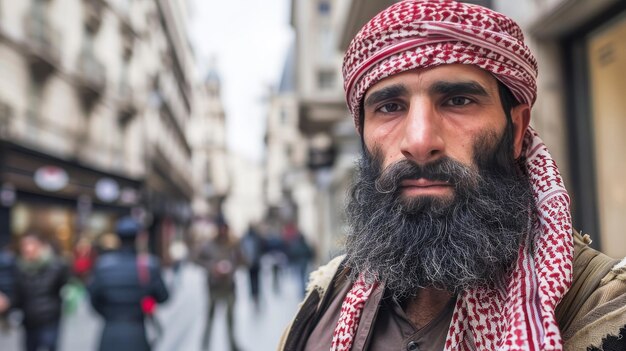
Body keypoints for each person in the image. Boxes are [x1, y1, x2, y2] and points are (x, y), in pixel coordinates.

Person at [279, 1, 626, 351]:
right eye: (389, 107)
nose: (419, 141)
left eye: (458, 101)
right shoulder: (321, 307)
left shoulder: (604, 311)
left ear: (517, 129)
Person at [88, 216, 169, 351]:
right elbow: (164, 297)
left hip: (110, 330)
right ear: (138, 238)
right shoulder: (149, 266)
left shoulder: (102, 265)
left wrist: (109, 314)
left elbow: (93, 300)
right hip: (137, 331)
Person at [12, 233, 69, 351]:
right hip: (29, 319)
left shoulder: (56, 266)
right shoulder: (19, 267)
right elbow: (17, 294)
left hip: (49, 318)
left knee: (49, 346)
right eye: (24, 245)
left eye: (31, 245)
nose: (28, 249)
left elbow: (65, 286)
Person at [195, 219, 242, 351]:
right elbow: (197, 259)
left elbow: (243, 261)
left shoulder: (233, 245)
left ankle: (233, 345)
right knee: (209, 318)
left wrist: (232, 266)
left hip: (229, 286)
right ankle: (205, 345)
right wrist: (212, 267)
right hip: (213, 287)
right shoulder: (209, 245)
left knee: (230, 320)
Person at [239, 224, 265, 308]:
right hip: (251, 263)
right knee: (253, 280)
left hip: (254, 263)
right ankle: (254, 296)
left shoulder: (252, 238)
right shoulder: (254, 238)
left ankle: (255, 296)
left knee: (255, 280)